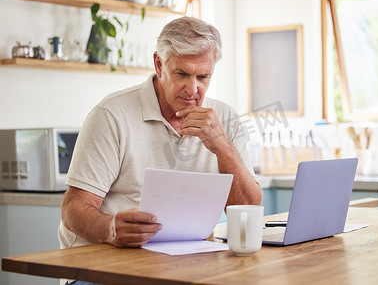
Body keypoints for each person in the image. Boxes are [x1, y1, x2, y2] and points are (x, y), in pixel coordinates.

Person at [58, 16, 262, 259]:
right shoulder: (111, 114)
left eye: (203, 77)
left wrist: (223, 147)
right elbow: (73, 209)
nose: (192, 89)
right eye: (182, 74)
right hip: (101, 261)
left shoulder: (225, 118)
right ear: (159, 64)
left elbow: (249, 209)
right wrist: (110, 229)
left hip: (182, 260)